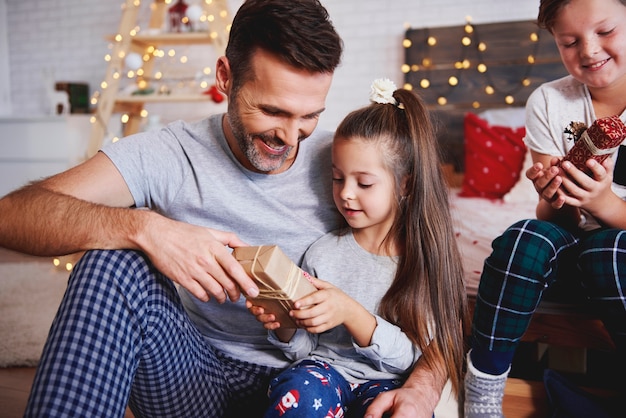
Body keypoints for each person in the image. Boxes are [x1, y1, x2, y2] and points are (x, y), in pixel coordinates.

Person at [0, 1, 446, 417]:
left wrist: (425, 384)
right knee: (110, 262)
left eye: (308, 116)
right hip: (192, 373)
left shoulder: (346, 166)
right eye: (272, 110)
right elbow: (13, 215)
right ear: (225, 77)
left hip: (315, 383)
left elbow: (434, 290)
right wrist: (146, 229)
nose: (290, 138)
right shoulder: (168, 153)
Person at [248, 80, 469, 417]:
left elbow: (413, 356)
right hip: (323, 374)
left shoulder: (419, 262)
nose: (346, 193)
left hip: (386, 382)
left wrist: (352, 314)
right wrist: (285, 326)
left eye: (364, 183)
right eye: (338, 178)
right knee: (299, 390)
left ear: (406, 183)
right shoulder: (322, 253)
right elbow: (305, 351)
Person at [464, 0, 626, 416]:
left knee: (606, 249)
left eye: (605, 31)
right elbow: (556, 223)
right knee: (524, 235)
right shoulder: (550, 102)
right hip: (570, 258)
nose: (588, 51)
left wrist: (604, 202)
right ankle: (482, 392)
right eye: (569, 42)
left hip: (616, 261)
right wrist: (556, 197)